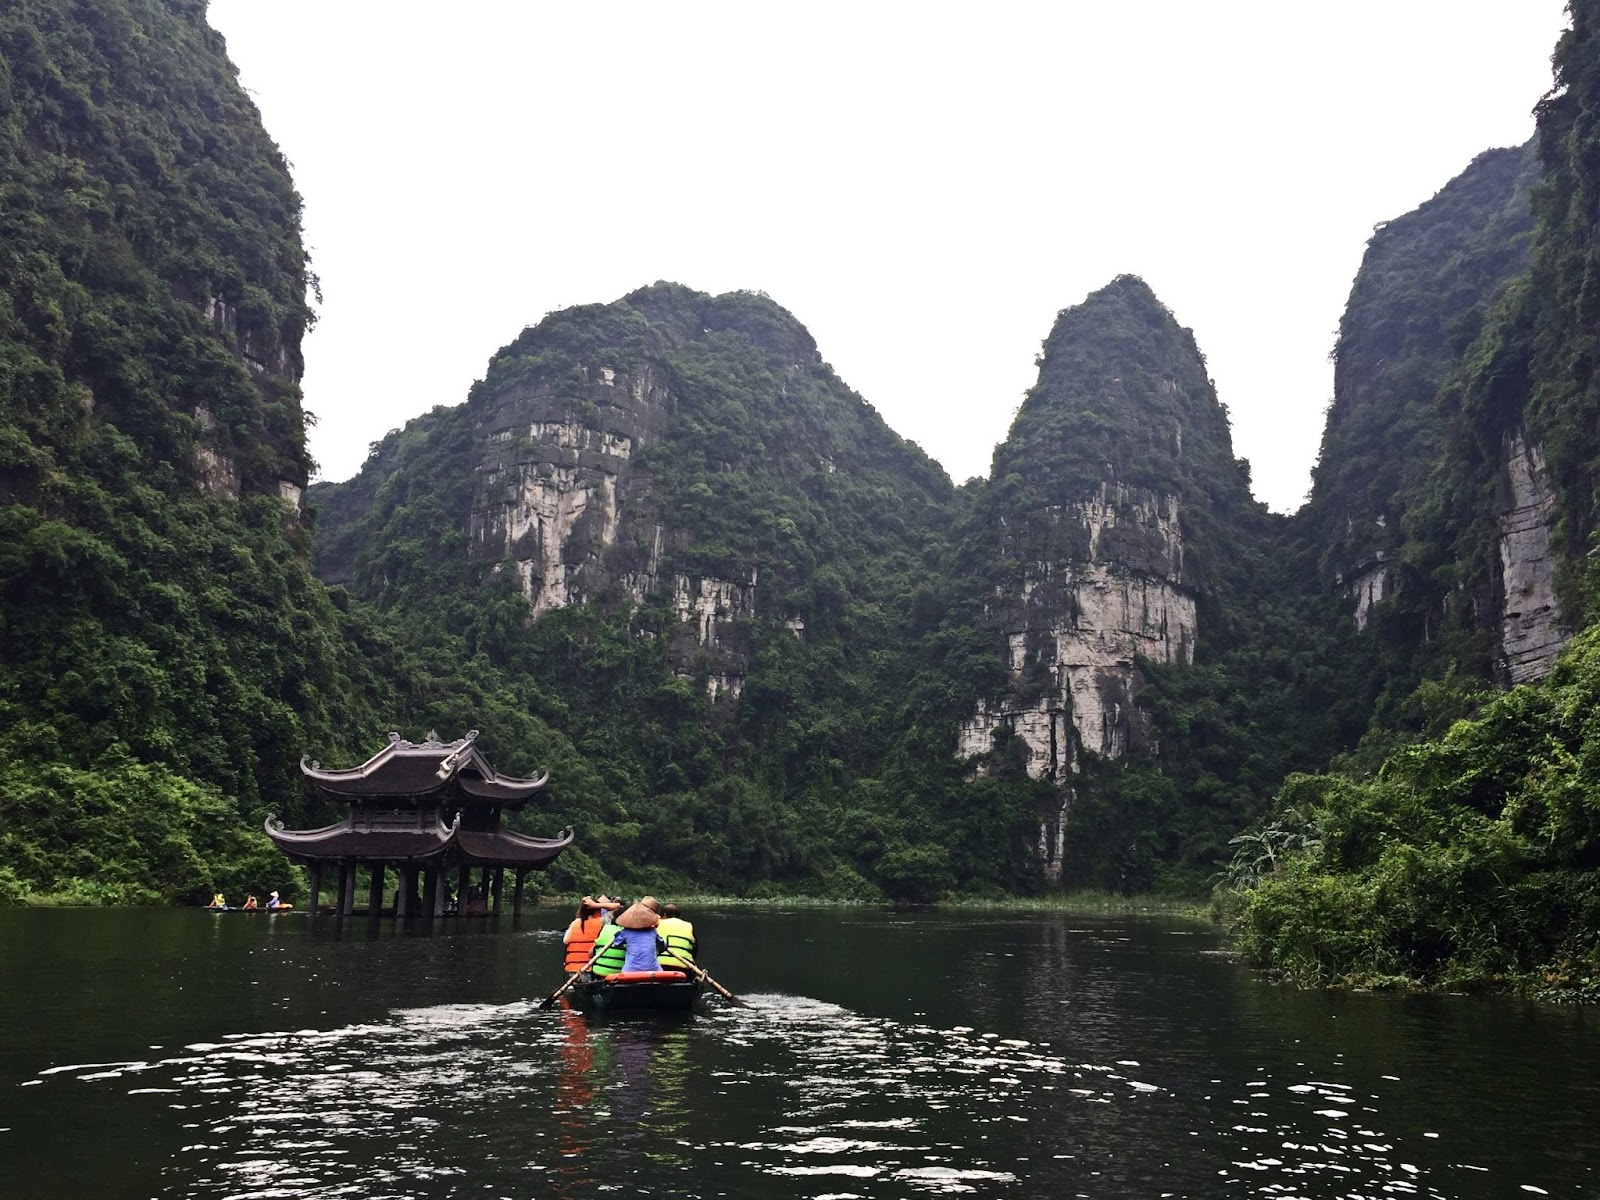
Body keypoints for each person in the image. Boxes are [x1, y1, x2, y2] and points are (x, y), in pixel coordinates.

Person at [596, 896, 666, 976]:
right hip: (653, 969)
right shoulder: (653, 932)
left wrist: (620, 936)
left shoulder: (625, 932)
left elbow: (617, 944)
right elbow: (663, 947)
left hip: (630, 971)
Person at [562, 895, 620, 972]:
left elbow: (565, 940)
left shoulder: (574, 924)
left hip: (573, 970)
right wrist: (595, 905)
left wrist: (581, 907)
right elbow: (618, 908)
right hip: (591, 969)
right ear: (597, 911)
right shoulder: (601, 922)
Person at [657, 903, 697, 971]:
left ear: (664, 914)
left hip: (659, 966)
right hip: (684, 966)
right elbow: (694, 950)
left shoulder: (656, 924)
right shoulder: (688, 925)